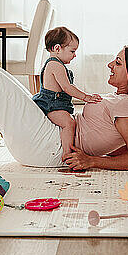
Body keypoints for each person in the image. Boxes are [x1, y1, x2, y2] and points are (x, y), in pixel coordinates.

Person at [0, 45, 128, 171]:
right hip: (51, 137)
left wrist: (91, 161)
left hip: (50, 147)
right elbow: (121, 147)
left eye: (117, 63)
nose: (110, 65)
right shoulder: (122, 103)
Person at [32, 27, 102, 160]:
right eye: (72, 51)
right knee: (69, 123)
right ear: (57, 48)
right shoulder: (54, 65)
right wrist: (86, 97)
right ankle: (67, 153)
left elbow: (70, 86)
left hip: (57, 104)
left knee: (71, 121)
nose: (75, 55)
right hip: (51, 105)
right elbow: (67, 87)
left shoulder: (59, 65)